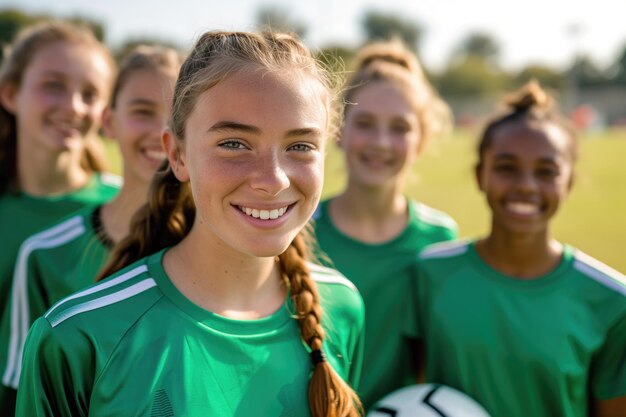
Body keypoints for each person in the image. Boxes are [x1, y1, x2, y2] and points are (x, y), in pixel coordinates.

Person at [16, 30, 365, 417]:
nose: (273, 179)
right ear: (177, 155)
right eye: (234, 143)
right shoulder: (78, 336)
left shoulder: (343, 307)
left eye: (300, 146)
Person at [407, 81, 626, 417]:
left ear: (568, 182)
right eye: (507, 167)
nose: (526, 185)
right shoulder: (430, 274)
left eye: (546, 172)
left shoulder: (612, 300)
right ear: (481, 175)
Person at [0, 45, 183, 416]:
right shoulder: (45, 254)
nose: (161, 130)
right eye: (142, 111)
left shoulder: (219, 244)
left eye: (177, 116)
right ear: (109, 122)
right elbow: (24, 394)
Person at [311, 39, 458, 409]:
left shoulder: (439, 241)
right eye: (365, 123)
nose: (380, 142)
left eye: (399, 127)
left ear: (421, 140)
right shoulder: (299, 231)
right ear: (338, 130)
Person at [0, 21, 119, 325]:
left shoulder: (125, 208)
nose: (73, 107)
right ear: (10, 94)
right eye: (54, 86)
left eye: (90, 94)